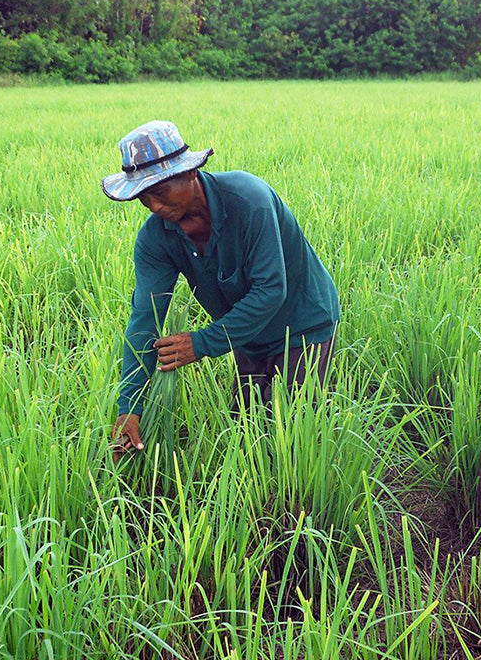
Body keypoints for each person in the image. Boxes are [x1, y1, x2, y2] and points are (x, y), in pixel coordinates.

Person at [103, 120, 339, 463]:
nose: (153, 206)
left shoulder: (248, 201)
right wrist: (130, 406)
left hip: (303, 325)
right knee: (245, 430)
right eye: (143, 197)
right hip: (246, 332)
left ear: (190, 174)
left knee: (292, 435)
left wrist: (201, 344)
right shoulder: (156, 239)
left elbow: (271, 290)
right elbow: (145, 319)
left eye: (159, 191)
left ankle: (302, 507)